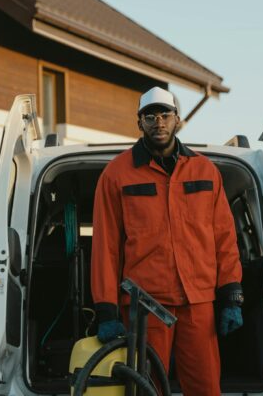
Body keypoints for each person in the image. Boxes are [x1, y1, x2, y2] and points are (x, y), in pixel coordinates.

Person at [91, 86, 244, 396]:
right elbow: (105, 247)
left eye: (165, 115)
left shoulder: (205, 171)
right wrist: (106, 310)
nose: (158, 122)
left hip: (198, 302)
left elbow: (224, 238)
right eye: (150, 116)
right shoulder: (116, 174)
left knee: (205, 388)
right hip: (145, 304)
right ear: (139, 123)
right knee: (149, 388)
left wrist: (232, 293)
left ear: (178, 121)